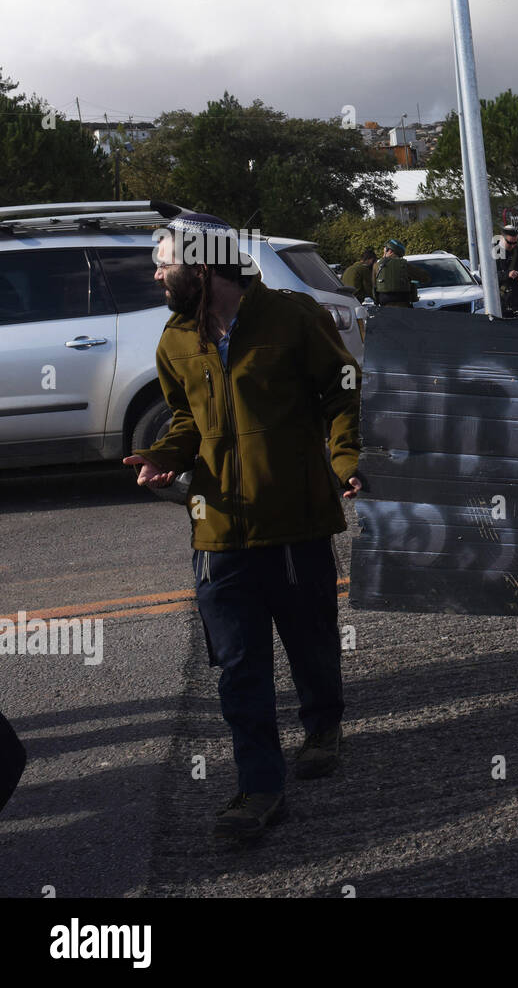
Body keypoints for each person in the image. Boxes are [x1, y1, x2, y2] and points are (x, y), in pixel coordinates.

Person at [123, 211, 362, 846]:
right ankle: (260, 787)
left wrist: (345, 460)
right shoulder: (174, 340)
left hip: (294, 518)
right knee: (236, 665)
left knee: (309, 636)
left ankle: (323, 724)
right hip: (216, 527)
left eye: (165, 261)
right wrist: (164, 458)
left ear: (202, 266)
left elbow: (342, 389)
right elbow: (183, 421)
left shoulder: (292, 317)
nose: (157, 273)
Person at [373, 237, 431, 308]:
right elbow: (425, 278)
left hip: (384, 307)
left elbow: (373, 286)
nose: (383, 254)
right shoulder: (405, 265)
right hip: (403, 307)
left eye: (384, 251)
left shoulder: (376, 266)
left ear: (390, 251)